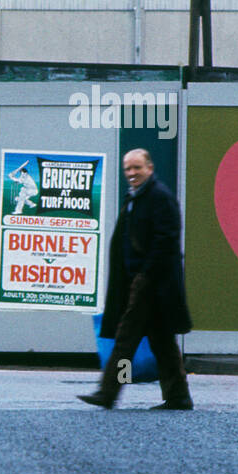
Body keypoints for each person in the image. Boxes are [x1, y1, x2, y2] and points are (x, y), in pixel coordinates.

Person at [79, 148, 194, 409]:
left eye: (137, 168)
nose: (131, 173)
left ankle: (107, 393)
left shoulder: (159, 198)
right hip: (144, 283)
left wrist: (144, 277)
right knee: (163, 343)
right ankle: (178, 397)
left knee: (125, 340)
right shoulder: (135, 198)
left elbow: (166, 241)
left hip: (151, 285)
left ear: (150, 168)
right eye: (128, 169)